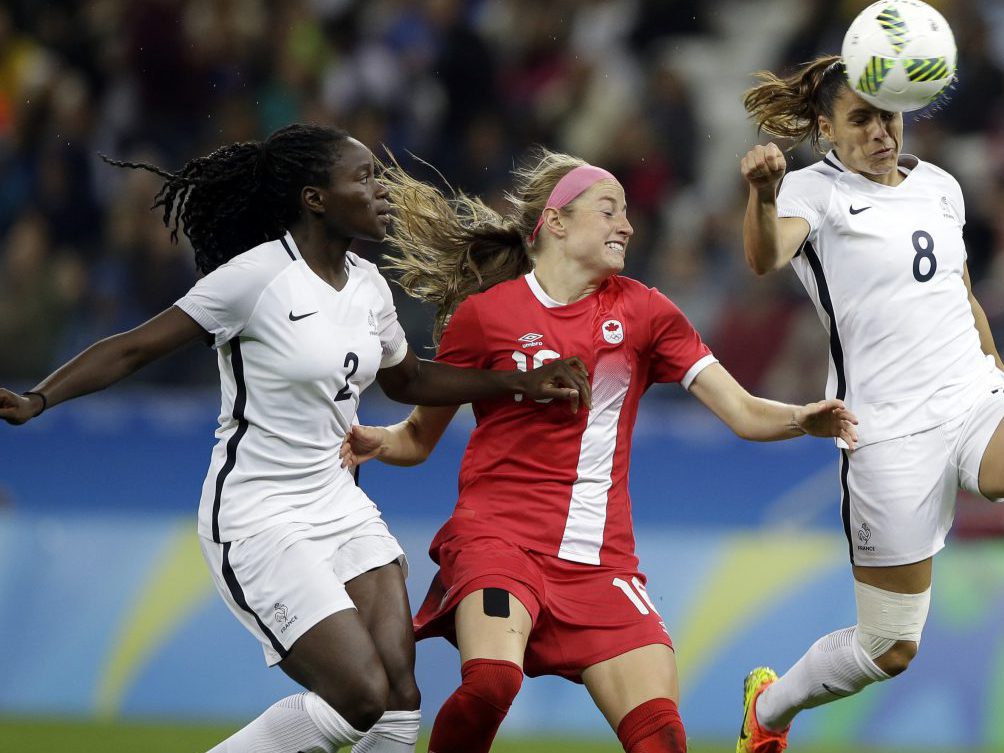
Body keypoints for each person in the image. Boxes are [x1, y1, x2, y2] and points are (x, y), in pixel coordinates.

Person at [0, 123, 590, 753]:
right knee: (359, 695)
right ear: (315, 198)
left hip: (340, 505)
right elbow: (137, 347)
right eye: (361, 178)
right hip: (258, 517)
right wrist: (39, 398)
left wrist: (517, 383)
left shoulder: (367, 285)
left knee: (399, 702)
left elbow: (410, 379)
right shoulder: (255, 279)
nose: (379, 191)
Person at [339, 148, 859, 753]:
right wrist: (379, 441)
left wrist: (803, 418)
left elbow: (741, 411)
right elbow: (419, 438)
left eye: (628, 214)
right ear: (555, 222)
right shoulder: (485, 318)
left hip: (601, 563)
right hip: (498, 541)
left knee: (662, 739)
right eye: (609, 210)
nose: (628, 225)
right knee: (490, 683)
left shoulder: (645, 312)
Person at [732, 55, 1004, 751]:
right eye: (862, 120)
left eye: (890, 116)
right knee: (889, 645)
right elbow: (763, 258)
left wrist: (1002, 382)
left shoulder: (939, 185)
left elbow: (961, 297)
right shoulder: (810, 191)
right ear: (826, 129)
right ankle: (770, 707)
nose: (882, 133)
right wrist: (760, 193)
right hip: (885, 430)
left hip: (968, 395)